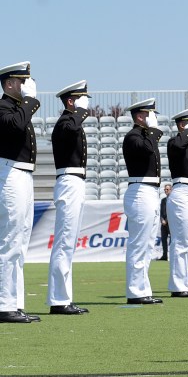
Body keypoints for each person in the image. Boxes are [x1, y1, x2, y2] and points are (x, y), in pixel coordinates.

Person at [0, 62, 41, 323]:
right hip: (10, 172)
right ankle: (4, 305)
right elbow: (15, 126)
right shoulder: (3, 108)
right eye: (21, 80)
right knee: (10, 240)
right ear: (8, 84)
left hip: (24, 173)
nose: (26, 85)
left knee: (21, 239)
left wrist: (26, 103)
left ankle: (15, 302)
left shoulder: (17, 108)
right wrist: (30, 102)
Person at [48, 80, 91, 316]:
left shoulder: (71, 122)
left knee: (69, 243)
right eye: (81, 99)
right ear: (71, 101)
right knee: (64, 242)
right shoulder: (66, 122)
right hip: (68, 182)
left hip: (76, 181)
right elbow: (73, 127)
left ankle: (64, 297)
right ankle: (58, 299)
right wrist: (81, 110)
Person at [122, 98, 163, 305]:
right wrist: (154, 130)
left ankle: (142, 289)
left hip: (151, 191)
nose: (153, 118)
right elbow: (146, 149)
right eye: (149, 114)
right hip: (140, 190)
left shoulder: (146, 136)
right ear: (140, 116)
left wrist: (153, 131)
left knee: (147, 245)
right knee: (139, 244)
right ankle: (135, 291)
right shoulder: (133, 136)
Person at [166, 107, 188, 298]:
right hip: (181, 192)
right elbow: (179, 144)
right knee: (180, 243)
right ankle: (178, 286)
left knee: (187, 242)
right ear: (182, 124)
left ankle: (183, 284)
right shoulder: (175, 142)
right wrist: (187, 130)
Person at [159, 184, 171, 261]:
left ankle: (173, 255)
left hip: (171, 223)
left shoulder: (173, 199)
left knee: (173, 240)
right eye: (165, 189)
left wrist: (166, 220)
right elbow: (161, 211)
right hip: (163, 224)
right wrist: (161, 219)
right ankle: (164, 255)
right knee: (163, 239)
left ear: (171, 190)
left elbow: (171, 211)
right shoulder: (163, 200)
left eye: (167, 189)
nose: (166, 191)